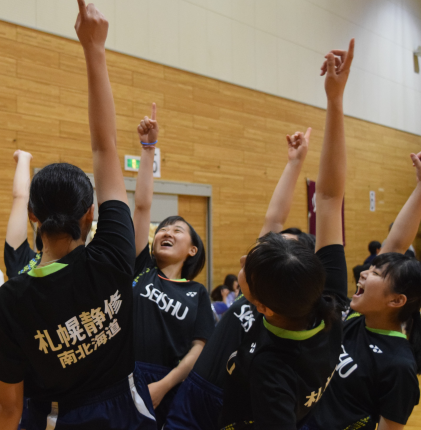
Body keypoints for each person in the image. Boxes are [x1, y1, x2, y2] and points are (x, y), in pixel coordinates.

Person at [0, 2, 155, 429]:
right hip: (125, 413)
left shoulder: (12, 298)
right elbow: (105, 148)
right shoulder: (112, 255)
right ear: (91, 214)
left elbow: (7, 407)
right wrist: (94, 49)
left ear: (33, 217)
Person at [216, 40, 354, 430]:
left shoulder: (271, 369)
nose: (242, 262)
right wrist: (335, 99)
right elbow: (329, 197)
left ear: (261, 307)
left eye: (247, 268)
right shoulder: (328, 302)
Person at [164, 125, 312, 429]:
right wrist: (294, 163)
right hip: (194, 391)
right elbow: (274, 218)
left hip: (231, 406)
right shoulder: (252, 290)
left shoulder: (286, 311)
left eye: (282, 249)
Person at [303, 138, 421, 430]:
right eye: (371, 268)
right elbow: (397, 244)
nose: (364, 273)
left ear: (397, 300)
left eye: (377, 273)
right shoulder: (354, 319)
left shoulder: (399, 366)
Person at [130, 103, 214, 428]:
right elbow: (141, 206)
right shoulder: (142, 269)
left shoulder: (197, 292)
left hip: (168, 385)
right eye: (163, 228)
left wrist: (164, 386)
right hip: (125, 374)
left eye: (177, 230)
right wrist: (148, 149)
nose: (166, 231)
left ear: (192, 249)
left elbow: (198, 349)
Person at [4, 150, 42, 279]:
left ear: (34, 215)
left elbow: (21, 198)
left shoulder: (24, 264)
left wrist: (23, 158)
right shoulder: (90, 266)